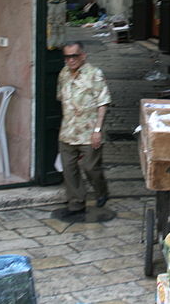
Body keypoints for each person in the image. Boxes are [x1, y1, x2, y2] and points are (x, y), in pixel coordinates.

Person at [55, 41, 111, 222]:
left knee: (90, 167)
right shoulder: (63, 74)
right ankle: (76, 202)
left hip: (89, 132)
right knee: (69, 169)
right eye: (67, 57)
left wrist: (97, 130)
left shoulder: (95, 74)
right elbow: (61, 98)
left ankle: (101, 190)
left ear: (83, 56)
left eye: (74, 56)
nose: (70, 60)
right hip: (68, 131)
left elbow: (103, 103)